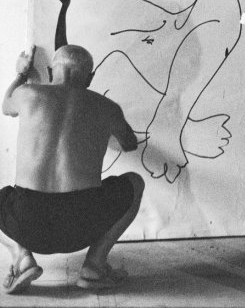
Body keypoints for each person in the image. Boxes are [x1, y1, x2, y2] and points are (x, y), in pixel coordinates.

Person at [0, 45, 144, 295]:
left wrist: (21, 74)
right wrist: (97, 130)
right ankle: (94, 266)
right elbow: (130, 145)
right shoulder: (108, 107)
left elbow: (5, 106)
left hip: (28, 223)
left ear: (48, 71)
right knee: (135, 182)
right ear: (90, 77)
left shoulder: (26, 93)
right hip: (83, 224)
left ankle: (22, 257)